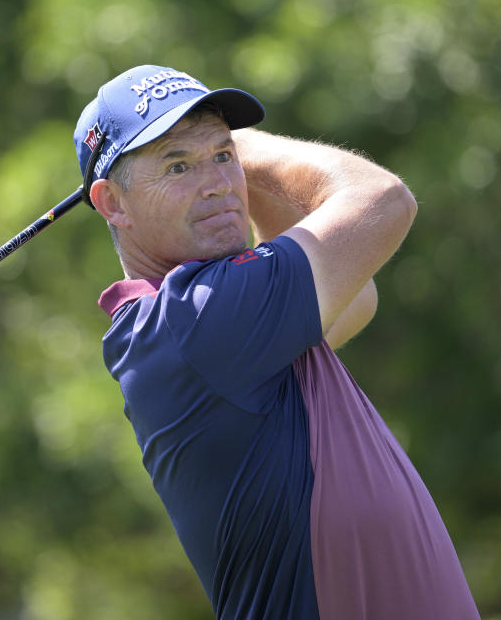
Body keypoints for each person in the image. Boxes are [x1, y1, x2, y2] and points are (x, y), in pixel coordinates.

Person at [73, 65, 480, 620]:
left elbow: (356, 301)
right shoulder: (194, 318)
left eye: (222, 157)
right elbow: (383, 200)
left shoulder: (216, 319)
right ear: (112, 203)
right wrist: (253, 149)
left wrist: (230, 164)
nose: (217, 182)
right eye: (177, 165)